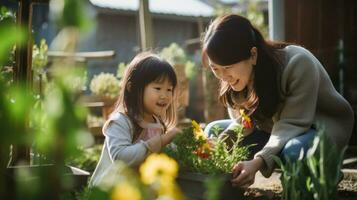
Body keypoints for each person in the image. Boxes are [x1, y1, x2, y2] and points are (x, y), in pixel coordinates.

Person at [201, 14, 354, 188]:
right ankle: (224, 191)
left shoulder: (297, 63)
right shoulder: (236, 81)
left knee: (296, 151)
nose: (223, 76)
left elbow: (291, 125)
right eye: (215, 68)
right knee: (214, 131)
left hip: (315, 130)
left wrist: (257, 161)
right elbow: (244, 123)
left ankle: (325, 171)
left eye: (227, 67)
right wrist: (219, 144)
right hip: (273, 132)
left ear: (253, 55)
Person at [89, 52, 180, 187]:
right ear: (132, 88)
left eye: (169, 89)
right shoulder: (121, 121)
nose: (165, 95)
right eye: (158, 88)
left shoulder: (158, 124)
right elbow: (120, 158)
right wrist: (162, 141)